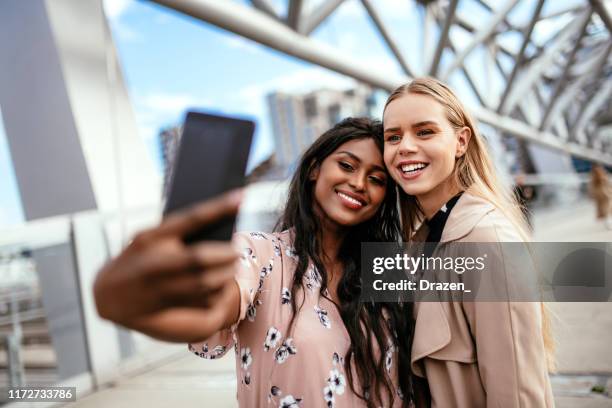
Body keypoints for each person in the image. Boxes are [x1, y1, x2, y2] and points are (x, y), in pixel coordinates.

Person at [94, 117, 413, 407]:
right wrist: (125, 301)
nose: (359, 183)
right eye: (347, 166)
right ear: (315, 168)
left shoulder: (386, 267)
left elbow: (458, 309)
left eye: (377, 179)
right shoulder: (261, 255)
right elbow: (211, 311)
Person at [382, 77, 554, 407]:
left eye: (424, 131)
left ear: (461, 141)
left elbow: (517, 393)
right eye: (393, 137)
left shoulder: (486, 239)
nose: (404, 146)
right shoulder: (424, 239)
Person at [589, 164, 612, 229]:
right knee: (606, 209)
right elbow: (592, 188)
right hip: (602, 195)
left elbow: (608, 185)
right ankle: (608, 221)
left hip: (604, 195)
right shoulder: (596, 177)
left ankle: (608, 221)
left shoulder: (601, 176)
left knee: (606, 209)